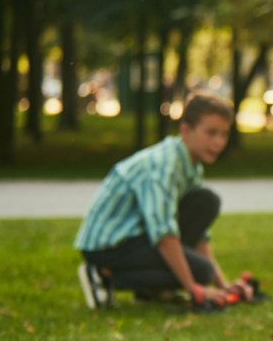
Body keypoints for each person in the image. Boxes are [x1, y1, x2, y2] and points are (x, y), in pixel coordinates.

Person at [75, 92, 249, 309]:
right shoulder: (163, 165)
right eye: (211, 133)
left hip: (138, 236)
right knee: (201, 271)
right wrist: (194, 289)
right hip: (109, 243)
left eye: (224, 134)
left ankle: (150, 291)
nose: (219, 142)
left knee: (206, 202)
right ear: (185, 130)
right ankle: (102, 272)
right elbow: (164, 234)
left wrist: (223, 285)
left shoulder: (191, 165)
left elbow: (198, 237)